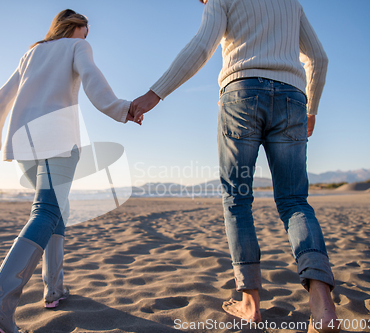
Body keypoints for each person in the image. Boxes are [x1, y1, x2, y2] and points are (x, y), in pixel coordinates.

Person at [130, 0, 338, 331]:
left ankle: (250, 304)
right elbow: (319, 58)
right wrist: (310, 108)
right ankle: (322, 304)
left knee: (237, 199)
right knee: (295, 201)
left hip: (242, 93)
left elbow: (202, 46)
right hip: (292, 99)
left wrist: (154, 95)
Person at [0, 9, 140, 333]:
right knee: (47, 211)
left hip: (23, 142)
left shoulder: (32, 52)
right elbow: (91, 78)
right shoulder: (76, 47)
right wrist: (121, 108)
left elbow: (1, 96)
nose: (86, 38)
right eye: (85, 31)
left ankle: (54, 290)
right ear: (74, 27)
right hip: (57, 140)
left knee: (57, 211)